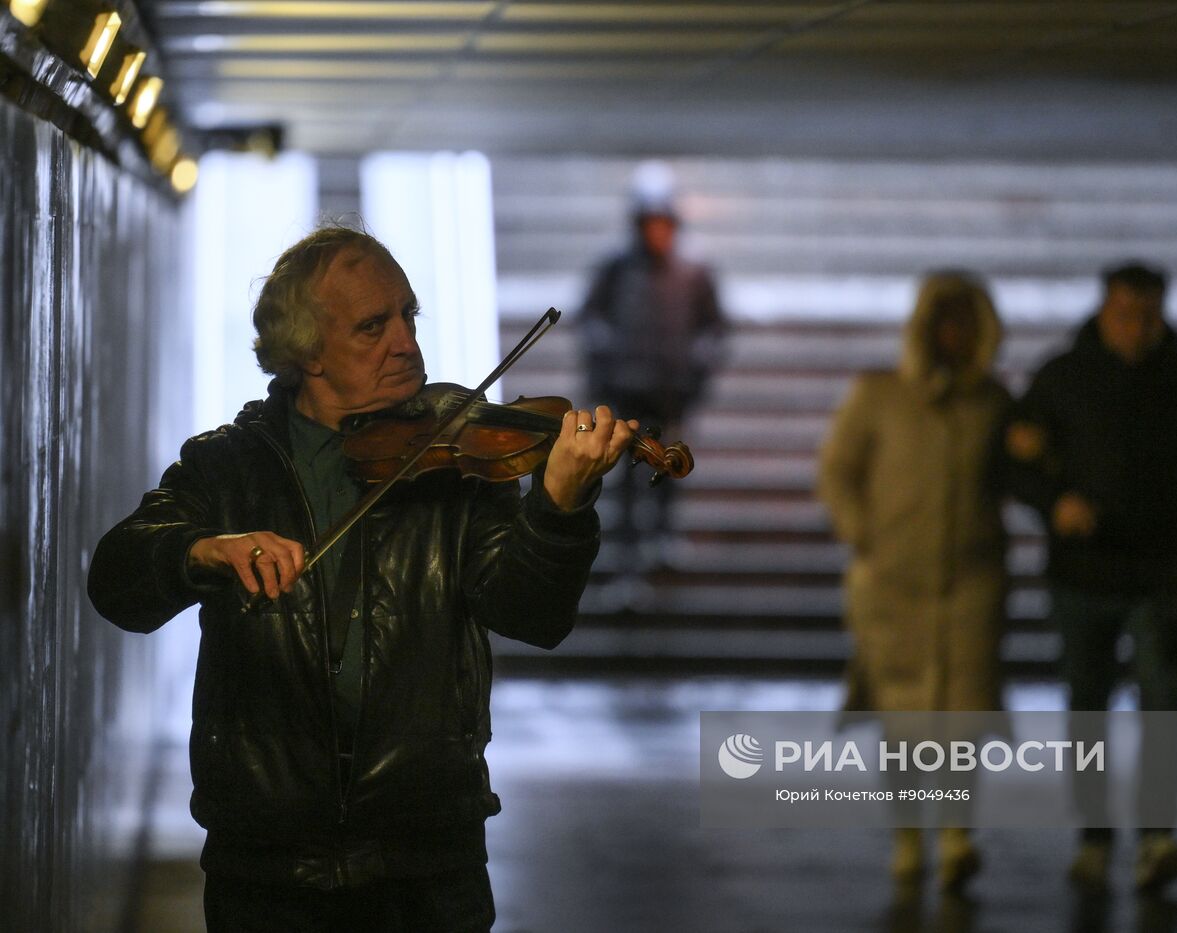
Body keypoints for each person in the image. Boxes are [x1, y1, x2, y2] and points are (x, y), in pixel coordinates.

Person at [86, 227, 638, 932]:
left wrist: (559, 508)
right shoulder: (226, 467)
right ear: (306, 352)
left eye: (408, 316)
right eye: (373, 327)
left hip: (428, 858)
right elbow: (116, 579)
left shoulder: (458, 463)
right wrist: (202, 552)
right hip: (267, 862)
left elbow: (534, 612)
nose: (405, 343)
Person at [1001, 262, 1177, 891]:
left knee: (1161, 703)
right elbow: (1014, 457)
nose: (1137, 328)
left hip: (1166, 576)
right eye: (1125, 314)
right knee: (1088, 708)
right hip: (1083, 576)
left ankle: (1157, 836)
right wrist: (1055, 501)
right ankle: (1093, 836)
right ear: (1103, 311)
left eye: (1148, 315)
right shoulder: (1064, 377)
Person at [817, 272, 1009, 892]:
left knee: (962, 719)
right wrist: (861, 532)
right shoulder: (877, 395)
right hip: (891, 584)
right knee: (901, 720)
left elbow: (1015, 475)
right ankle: (907, 838)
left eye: (965, 324)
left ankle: (956, 836)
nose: (953, 336)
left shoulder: (994, 404)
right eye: (943, 322)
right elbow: (838, 470)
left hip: (971, 585)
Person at [577, 161, 725, 589]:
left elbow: (714, 328)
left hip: (670, 392)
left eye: (664, 224)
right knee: (623, 479)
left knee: (668, 465)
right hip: (625, 393)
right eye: (650, 224)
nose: (658, 233)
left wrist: (697, 366)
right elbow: (590, 319)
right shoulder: (615, 270)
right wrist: (606, 357)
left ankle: (662, 538)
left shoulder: (693, 273)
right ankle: (625, 556)